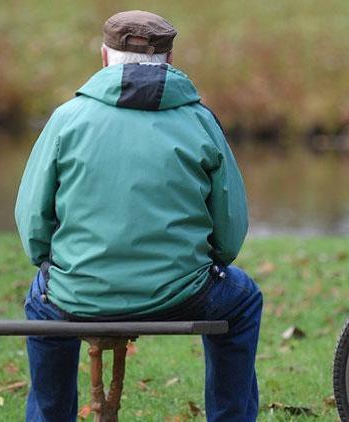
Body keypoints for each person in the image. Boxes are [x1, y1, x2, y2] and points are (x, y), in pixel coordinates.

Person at [14, 10, 261, 422]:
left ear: (104, 57)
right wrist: (207, 263)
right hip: (181, 295)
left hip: (79, 293)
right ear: (171, 58)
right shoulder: (201, 121)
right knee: (242, 299)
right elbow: (231, 231)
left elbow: (33, 224)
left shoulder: (66, 120)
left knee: (42, 302)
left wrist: (50, 263)